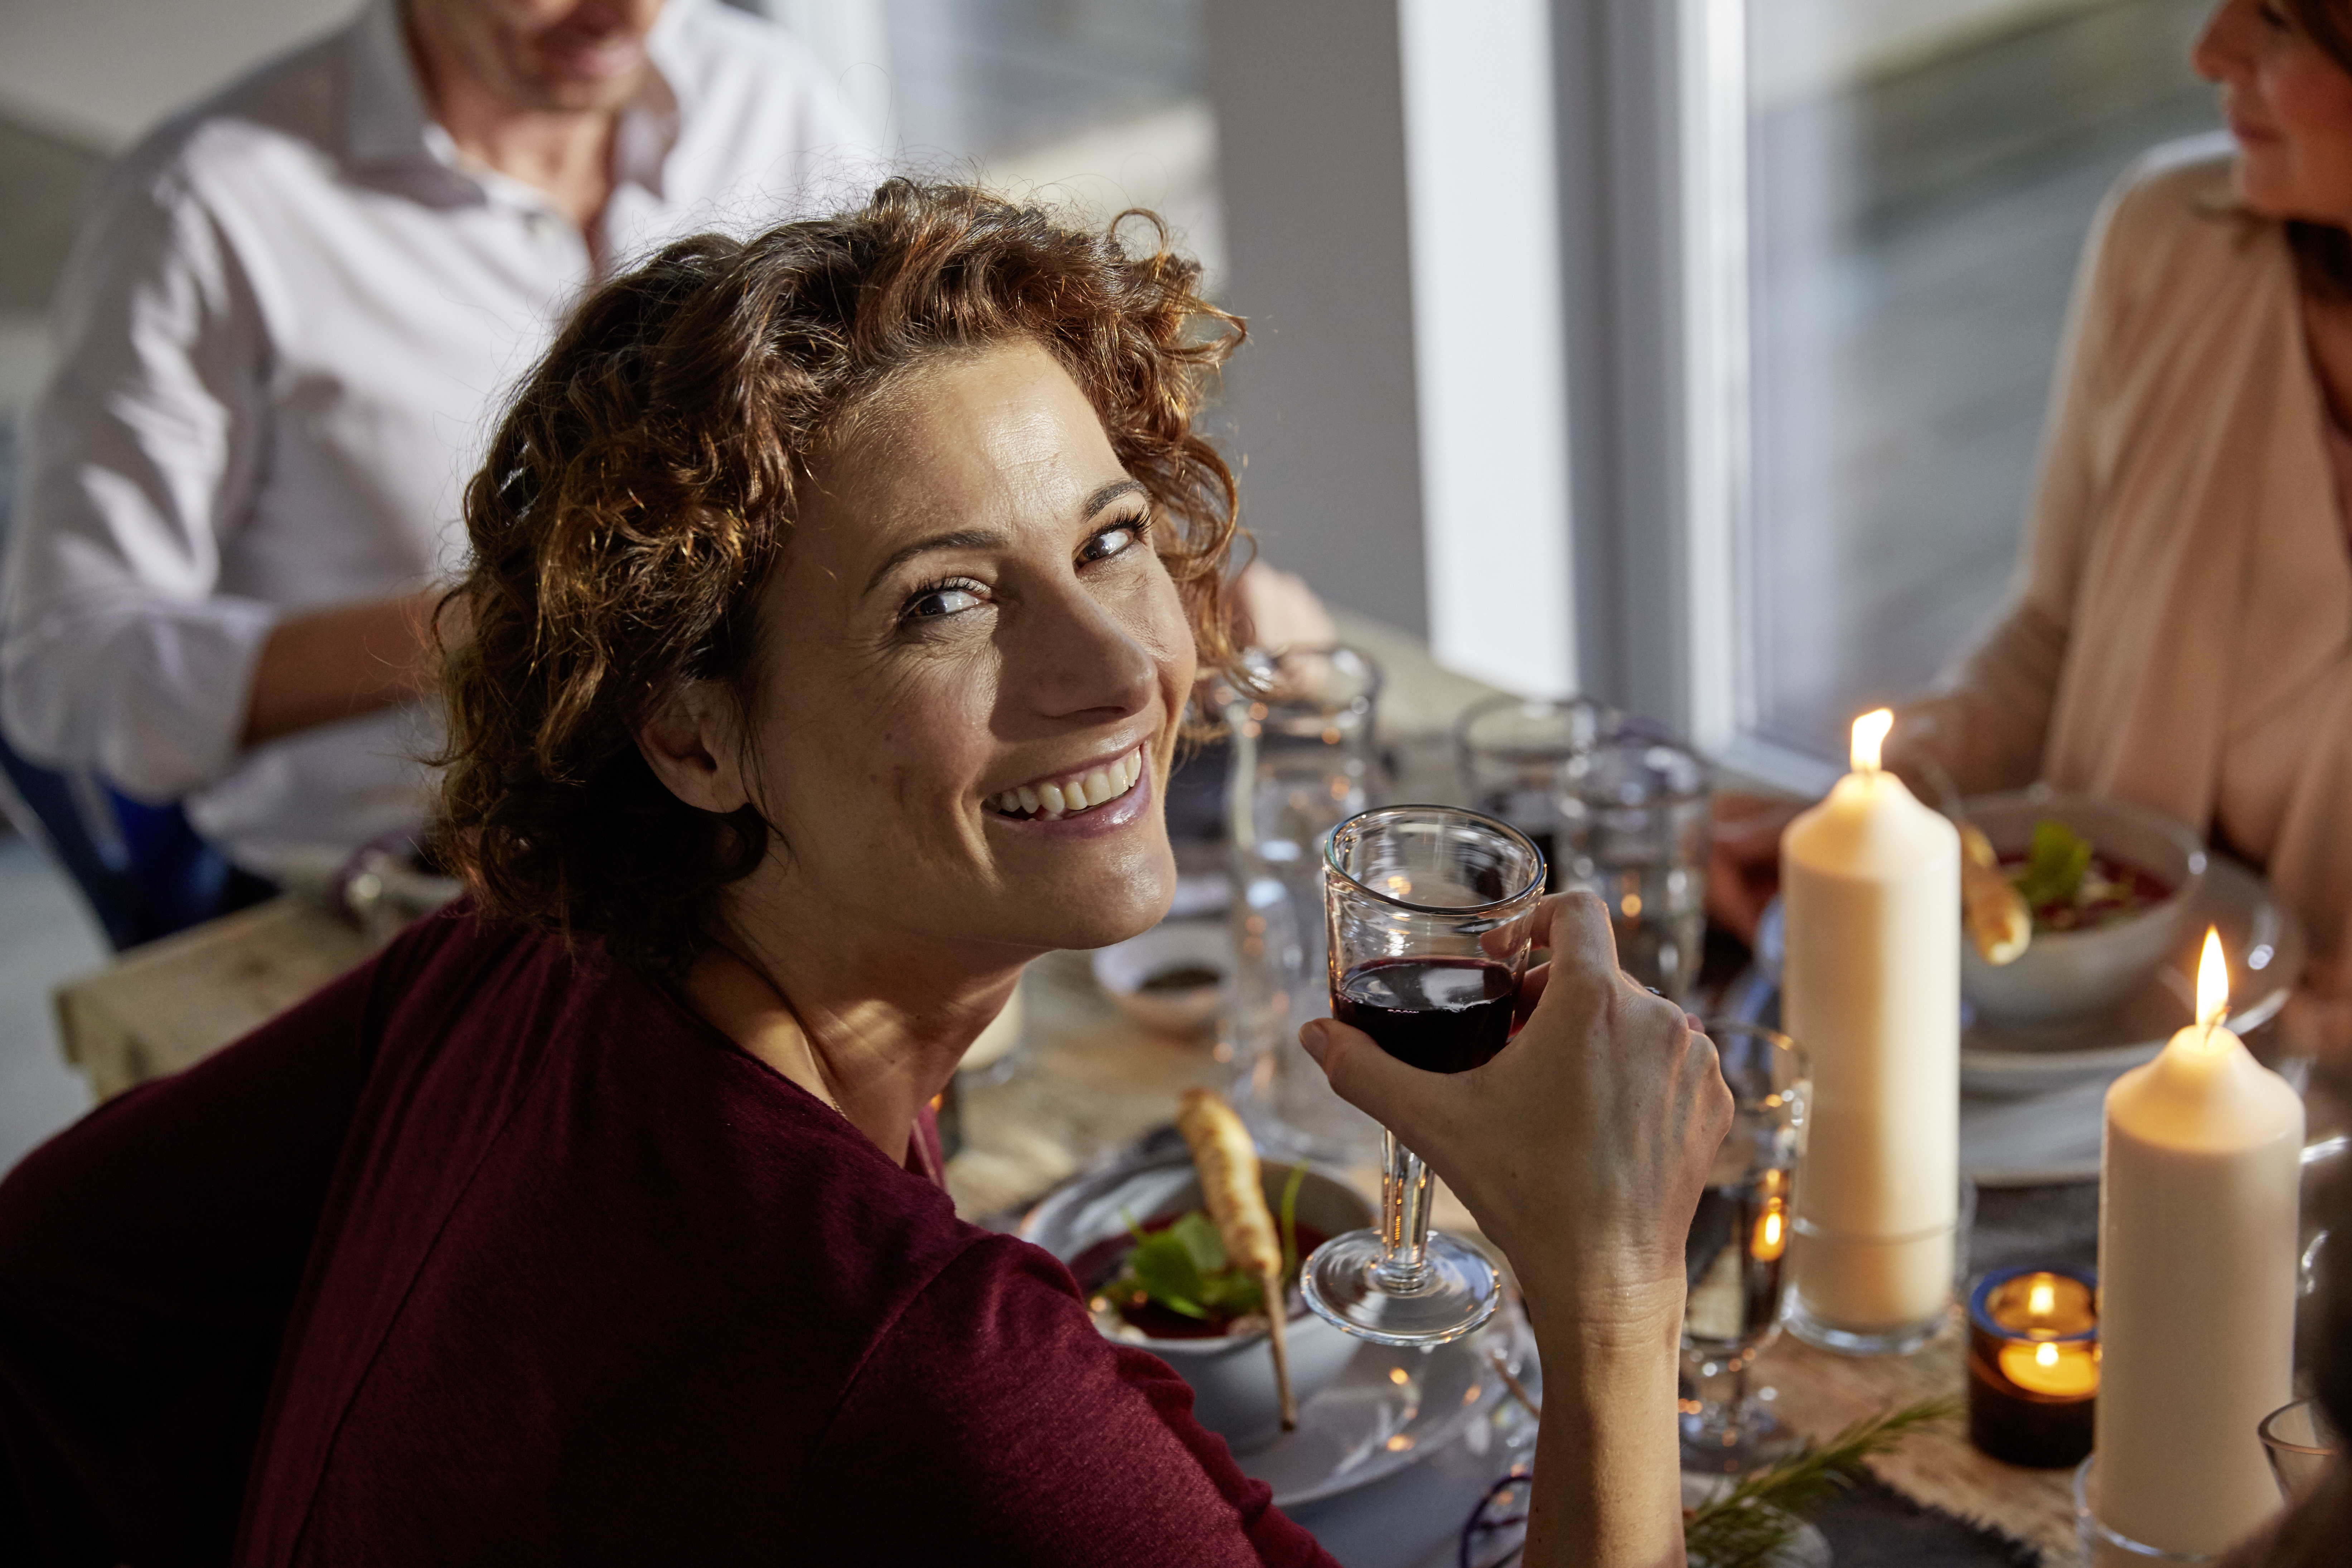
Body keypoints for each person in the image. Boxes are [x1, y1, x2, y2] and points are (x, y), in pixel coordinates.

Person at [0, 183, 1732, 1566]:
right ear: (692, 735)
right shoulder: (937, 1376)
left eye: (1110, 538)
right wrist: (1609, 1284)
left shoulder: (513, 967)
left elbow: (51, 1286)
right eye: (944, 601)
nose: (1117, 670)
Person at [0, 0, 871, 880]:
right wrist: (503, 622)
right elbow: (67, 667)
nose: (623, 15)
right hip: (409, 879)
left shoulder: (768, 98)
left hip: (766, 831)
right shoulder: (208, 205)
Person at [1714, 0, 2352, 1054]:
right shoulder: (2174, 239)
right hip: (2083, 1062)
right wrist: (1885, 817)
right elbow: (2055, 633)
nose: (2210, 50)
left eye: (2280, 20)